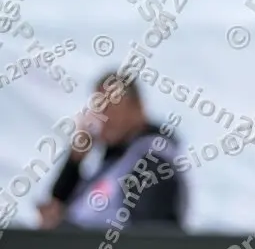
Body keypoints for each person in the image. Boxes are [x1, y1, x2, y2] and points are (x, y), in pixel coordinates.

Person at [39, 72, 187, 230]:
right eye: (97, 108)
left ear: (137, 107)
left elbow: (147, 237)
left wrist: (62, 227)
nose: (102, 118)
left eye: (110, 108)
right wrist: (75, 161)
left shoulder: (153, 161)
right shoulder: (115, 161)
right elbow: (62, 205)